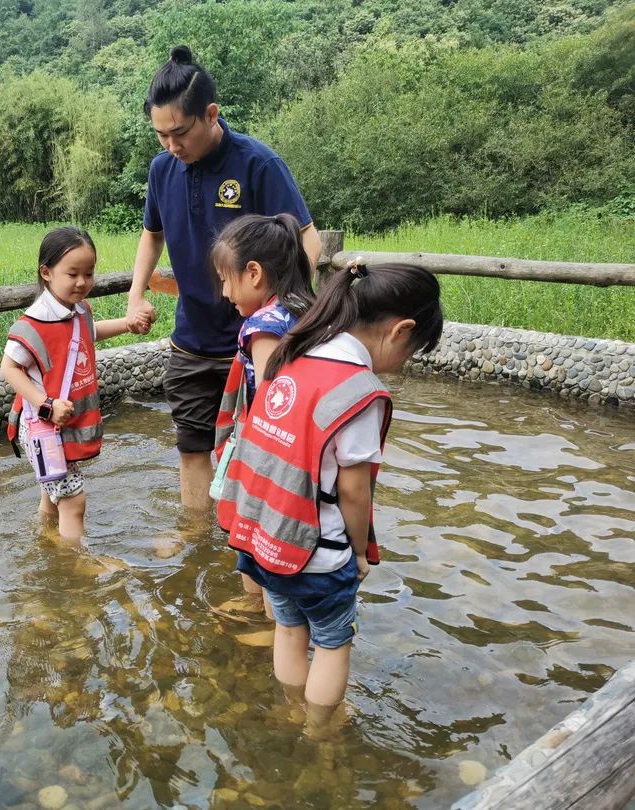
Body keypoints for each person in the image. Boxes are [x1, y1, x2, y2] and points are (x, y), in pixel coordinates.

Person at [217, 260, 442, 725]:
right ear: (401, 330)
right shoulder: (358, 390)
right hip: (318, 554)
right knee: (334, 644)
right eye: (412, 352)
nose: (404, 365)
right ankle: (322, 737)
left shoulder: (293, 354)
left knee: (289, 628)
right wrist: (359, 555)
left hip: (266, 540)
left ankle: (294, 711)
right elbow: (355, 491)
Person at [126, 44, 322, 510]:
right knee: (192, 448)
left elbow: (308, 241)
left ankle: (249, 542)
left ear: (211, 114)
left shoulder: (257, 164)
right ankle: (196, 540)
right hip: (192, 339)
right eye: (161, 136)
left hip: (258, 341)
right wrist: (136, 294)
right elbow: (151, 235)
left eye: (179, 133)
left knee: (263, 448)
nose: (172, 146)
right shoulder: (162, 170)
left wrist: (280, 310)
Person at [2, 226, 135, 542]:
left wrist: (128, 325)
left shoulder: (78, 311)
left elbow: (90, 331)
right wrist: (45, 404)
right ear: (46, 272)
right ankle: (74, 569)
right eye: (72, 273)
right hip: (42, 426)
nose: (82, 282)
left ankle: (44, 540)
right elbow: (8, 368)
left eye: (88, 273)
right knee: (74, 501)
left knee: (53, 495)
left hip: (63, 424)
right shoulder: (33, 324)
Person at [209, 213, 314, 602]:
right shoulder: (305, 309)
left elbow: (276, 403)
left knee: (251, 529)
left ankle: (256, 607)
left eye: (226, 279)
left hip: (270, 453)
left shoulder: (264, 327)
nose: (224, 292)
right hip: (304, 453)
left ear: (253, 273)